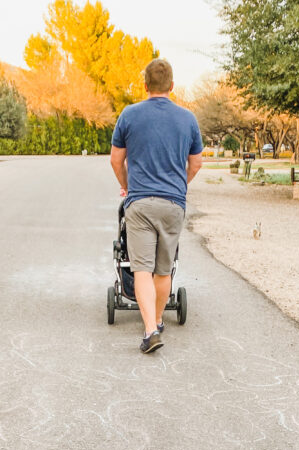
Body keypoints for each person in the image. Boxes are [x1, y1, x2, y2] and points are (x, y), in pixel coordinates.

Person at [110, 59, 203, 353]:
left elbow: (116, 159)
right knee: (164, 270)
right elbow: (196, 162)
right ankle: (159, 319)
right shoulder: (188, 119)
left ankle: (150, 329)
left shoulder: (129, 115)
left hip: (140, 203)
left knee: (141, 269)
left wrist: (126, 185)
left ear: (145, 85)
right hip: (173, 203)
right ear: (172, 86)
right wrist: (180, 184)